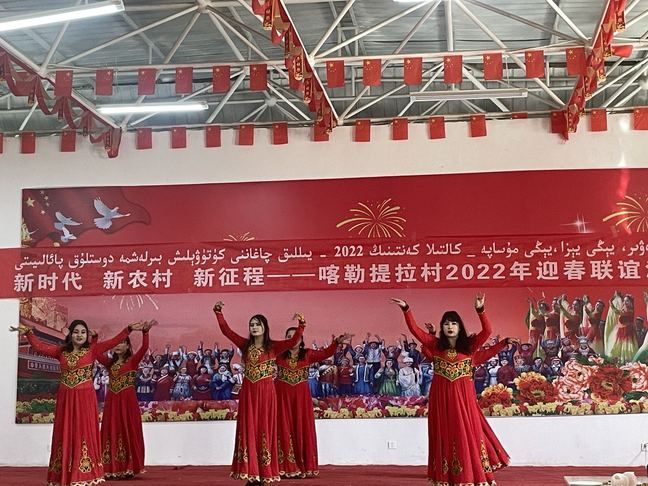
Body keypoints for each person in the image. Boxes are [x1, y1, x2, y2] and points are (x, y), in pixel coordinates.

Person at [391, 294, 509, 486]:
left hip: (464, 398)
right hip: (441, 397)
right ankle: (447, 476)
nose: (450, 326)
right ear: (443, 328)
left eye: (454, 323)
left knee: (466, 432)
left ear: (459, 327)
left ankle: (471, 473)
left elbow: (488, 331)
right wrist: (406, 309)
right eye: (446, 323)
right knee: (445, 433)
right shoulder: (435, 345)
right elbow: (415, 329)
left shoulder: (470, 347)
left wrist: (480, 310)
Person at [10, 319, 145, 486]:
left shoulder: (92, 350)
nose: (79, 335)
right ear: (70, 334)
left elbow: (113, 341)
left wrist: (128, 329)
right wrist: (29, 333)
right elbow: (41, 347)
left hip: (85, 398)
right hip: (66, 398)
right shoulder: (61, 351)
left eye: (83, 332)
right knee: (65, 430)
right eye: (76, 332)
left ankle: (85, 473)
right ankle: (64, 473)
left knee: (84, 431)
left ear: (87, 335)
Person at [213, 301, 305, 485]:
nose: (254, 327)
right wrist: (218, 313)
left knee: (264, 429)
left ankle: (264, 473)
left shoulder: (273, 347)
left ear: (264, 328)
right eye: (252, 325)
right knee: (249, 428)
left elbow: (293, 341)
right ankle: (251, 474)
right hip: (249, 393)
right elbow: (226, 331)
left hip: (267, 394)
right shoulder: (245, 345)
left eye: (257, 324)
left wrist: (301, 324)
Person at [275, 326, 351, 478]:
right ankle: (285, 467)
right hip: (281, 397)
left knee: (301, 427)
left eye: (296, 335)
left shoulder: (308, 354)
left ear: (301, 339)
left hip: (301, 398)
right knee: (283, 428)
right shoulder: (278, 355)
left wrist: (336, 342)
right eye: (289, 336)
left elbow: (326, 353)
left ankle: (303, 467)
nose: (292, 338)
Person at [97, 320, 155, 479]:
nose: (118, 345)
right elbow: (95, 352)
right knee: (111, 431)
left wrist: (145, 332)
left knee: (128, 430)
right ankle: (111, 468)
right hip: (112, 402)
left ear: (128, 346)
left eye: (122, 342)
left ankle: (129, 467)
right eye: (116, 343)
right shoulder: (109, 363)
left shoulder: (133, 361)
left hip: (128, 402)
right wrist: (94, 339)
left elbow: (144, 348)